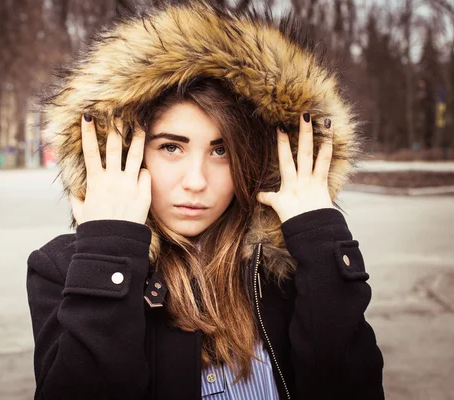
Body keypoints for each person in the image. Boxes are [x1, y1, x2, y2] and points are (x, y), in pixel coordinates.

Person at [26, 2, 384, 399]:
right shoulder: (62, 268)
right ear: (124, 151)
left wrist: (320, 237)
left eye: (221, 151)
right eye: (171, 148)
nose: (196, 182)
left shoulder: (288, 268)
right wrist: (108, 253)